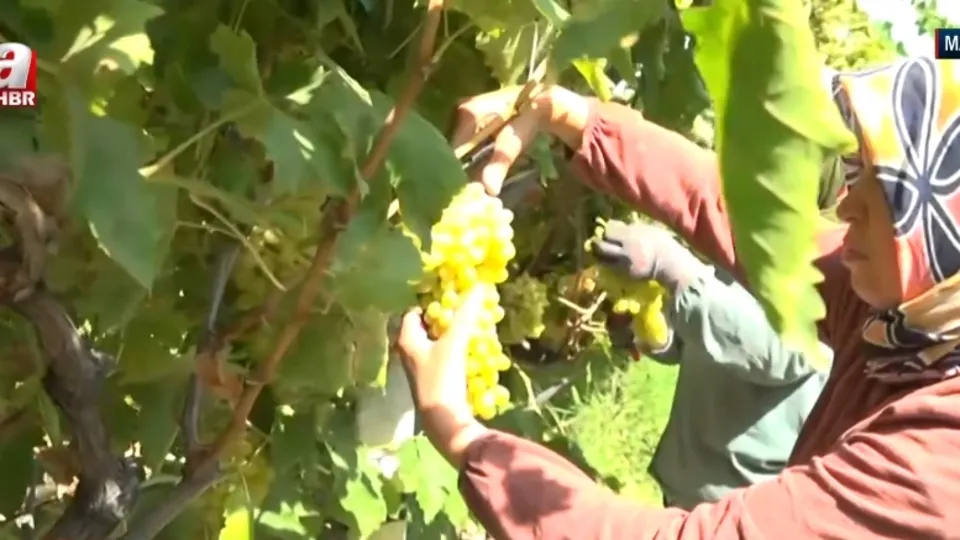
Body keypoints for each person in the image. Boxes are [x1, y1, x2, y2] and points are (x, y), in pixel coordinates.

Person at [397, 56, 960, 538]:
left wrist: (464, 435)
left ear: (939, 229)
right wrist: (573, 119)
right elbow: (752, 225)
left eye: (883, 192)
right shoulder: (914, 318)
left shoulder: (940, 464)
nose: (844, 209)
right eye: (855, 175)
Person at [598, 220, 832, 509]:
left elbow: (774, 352)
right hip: (688, 484)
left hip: (736, 506)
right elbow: (709, 339)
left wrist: (673, 267)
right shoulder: (756, 240)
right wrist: (653, 333)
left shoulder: (836, 264)